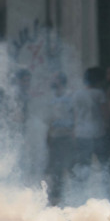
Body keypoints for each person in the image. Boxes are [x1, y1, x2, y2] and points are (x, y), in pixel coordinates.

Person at [72, 67, 108, 173]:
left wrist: (75, 130)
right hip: (98, 132)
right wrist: (107, 124)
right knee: (104, 163)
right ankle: (105, 187)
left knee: (83, 164)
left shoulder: (77, 94)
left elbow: (75, 115)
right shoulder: (99, 93)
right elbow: (105, 112)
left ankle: (81, 187)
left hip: (81, 133)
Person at [44, 72, 74, 204]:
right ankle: (55, 192)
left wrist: (74, 131)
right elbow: (50, 118)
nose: (52, 81)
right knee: (55, 166)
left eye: (55, 79)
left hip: (67, 135)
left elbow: (75, 114)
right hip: (55, 135)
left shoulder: (70, 96)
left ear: (60, 81)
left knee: (67, 164)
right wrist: (48, 135)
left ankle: (71, 192)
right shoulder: (52, 98)